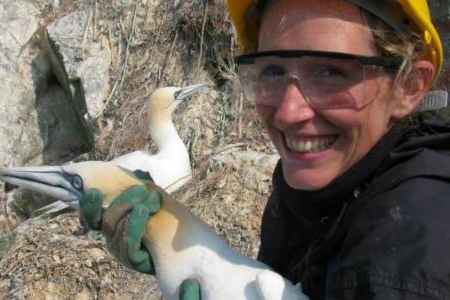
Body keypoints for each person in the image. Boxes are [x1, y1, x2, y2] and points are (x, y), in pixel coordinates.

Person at [80, 0, 450, 299]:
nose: (289, 113)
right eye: (272, 71)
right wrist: (178, 252)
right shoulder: (333, 182)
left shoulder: (400, 268)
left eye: (332, 72)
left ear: (409, 86)